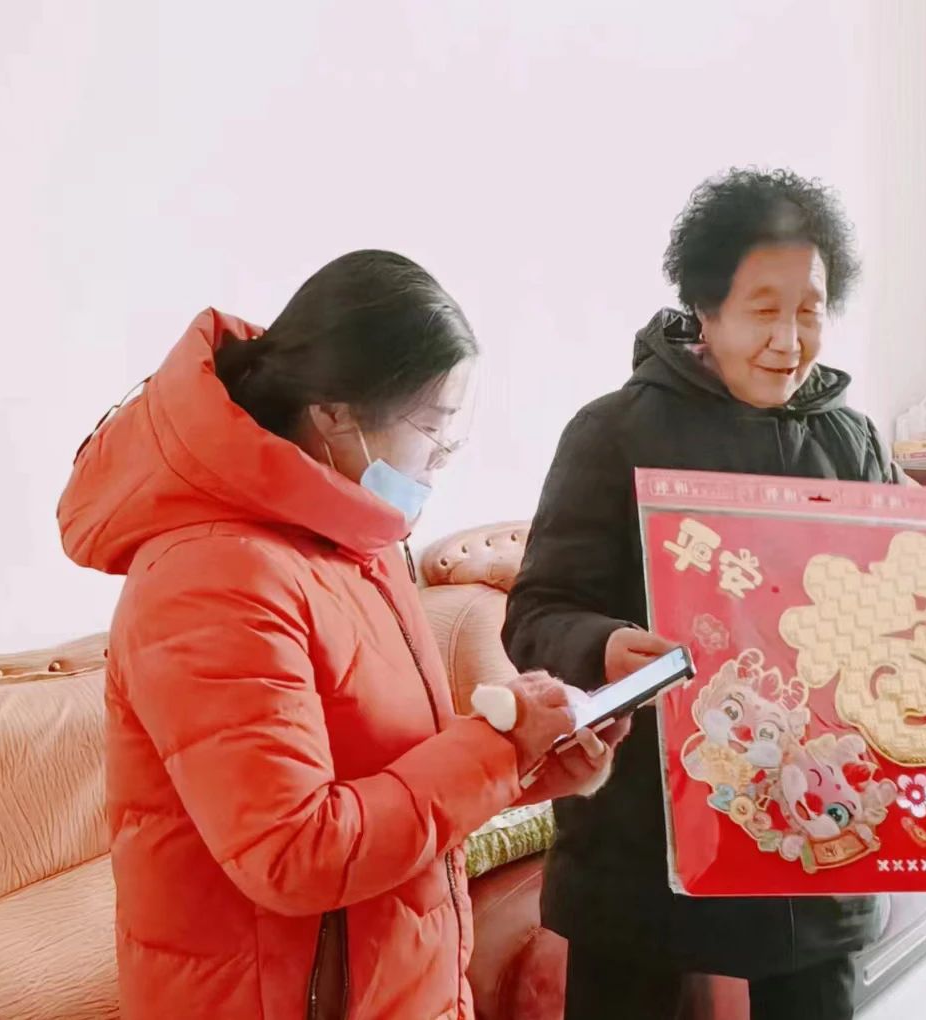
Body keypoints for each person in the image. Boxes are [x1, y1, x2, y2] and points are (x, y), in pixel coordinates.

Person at [57, 250, 627, 1020]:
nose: (443, 459)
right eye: (434, 429)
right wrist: (496, 750)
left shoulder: (356, 542)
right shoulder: (211, 577)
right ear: (333, 413)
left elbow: (391, 776)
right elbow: (296, 853)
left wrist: (530, 761)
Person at [502, 169, 902, 1020]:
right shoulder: (612, 433)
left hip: (814, 837)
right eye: (763, 310)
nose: (790, 340)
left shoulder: (853, 442)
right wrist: (604, 645)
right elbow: (536, 614)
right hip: (642, 847)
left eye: (810, 310)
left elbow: (913, 594)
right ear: (705, 308)